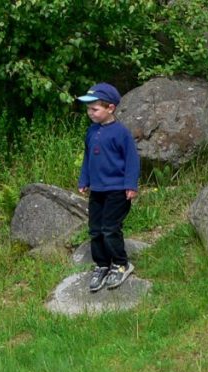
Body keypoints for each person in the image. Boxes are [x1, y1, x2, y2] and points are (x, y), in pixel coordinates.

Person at [76, 82, 139, 292]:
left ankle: (121, 264)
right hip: (97, 190)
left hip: (117, 191)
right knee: (95, 230)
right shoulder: (91, 132)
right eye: (88, 109)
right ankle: (102, 265)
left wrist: (131, 185)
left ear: (110, 108)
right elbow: (88, 159)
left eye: (94, 109)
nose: (90, 113)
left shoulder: (121, 133)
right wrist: (84, 180)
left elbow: (132, 160)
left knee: (110, 229)